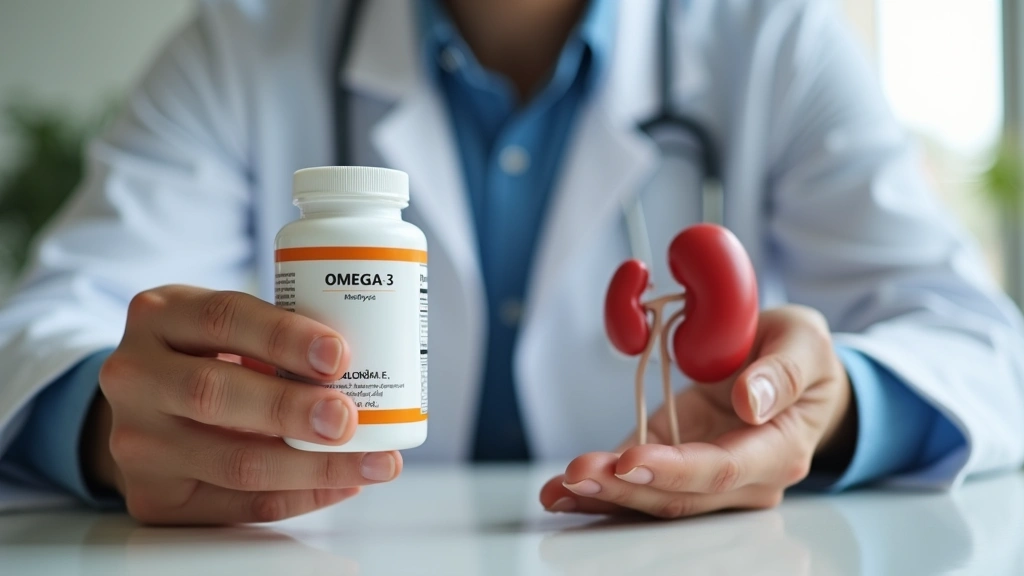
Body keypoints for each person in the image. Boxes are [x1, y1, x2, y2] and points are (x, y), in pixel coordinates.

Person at [1, 0, 1022, 525]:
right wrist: (102, 419)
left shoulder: (770, 38)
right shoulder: (250, 42)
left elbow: (979, 345)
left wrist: (828, 406)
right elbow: (48, 325)